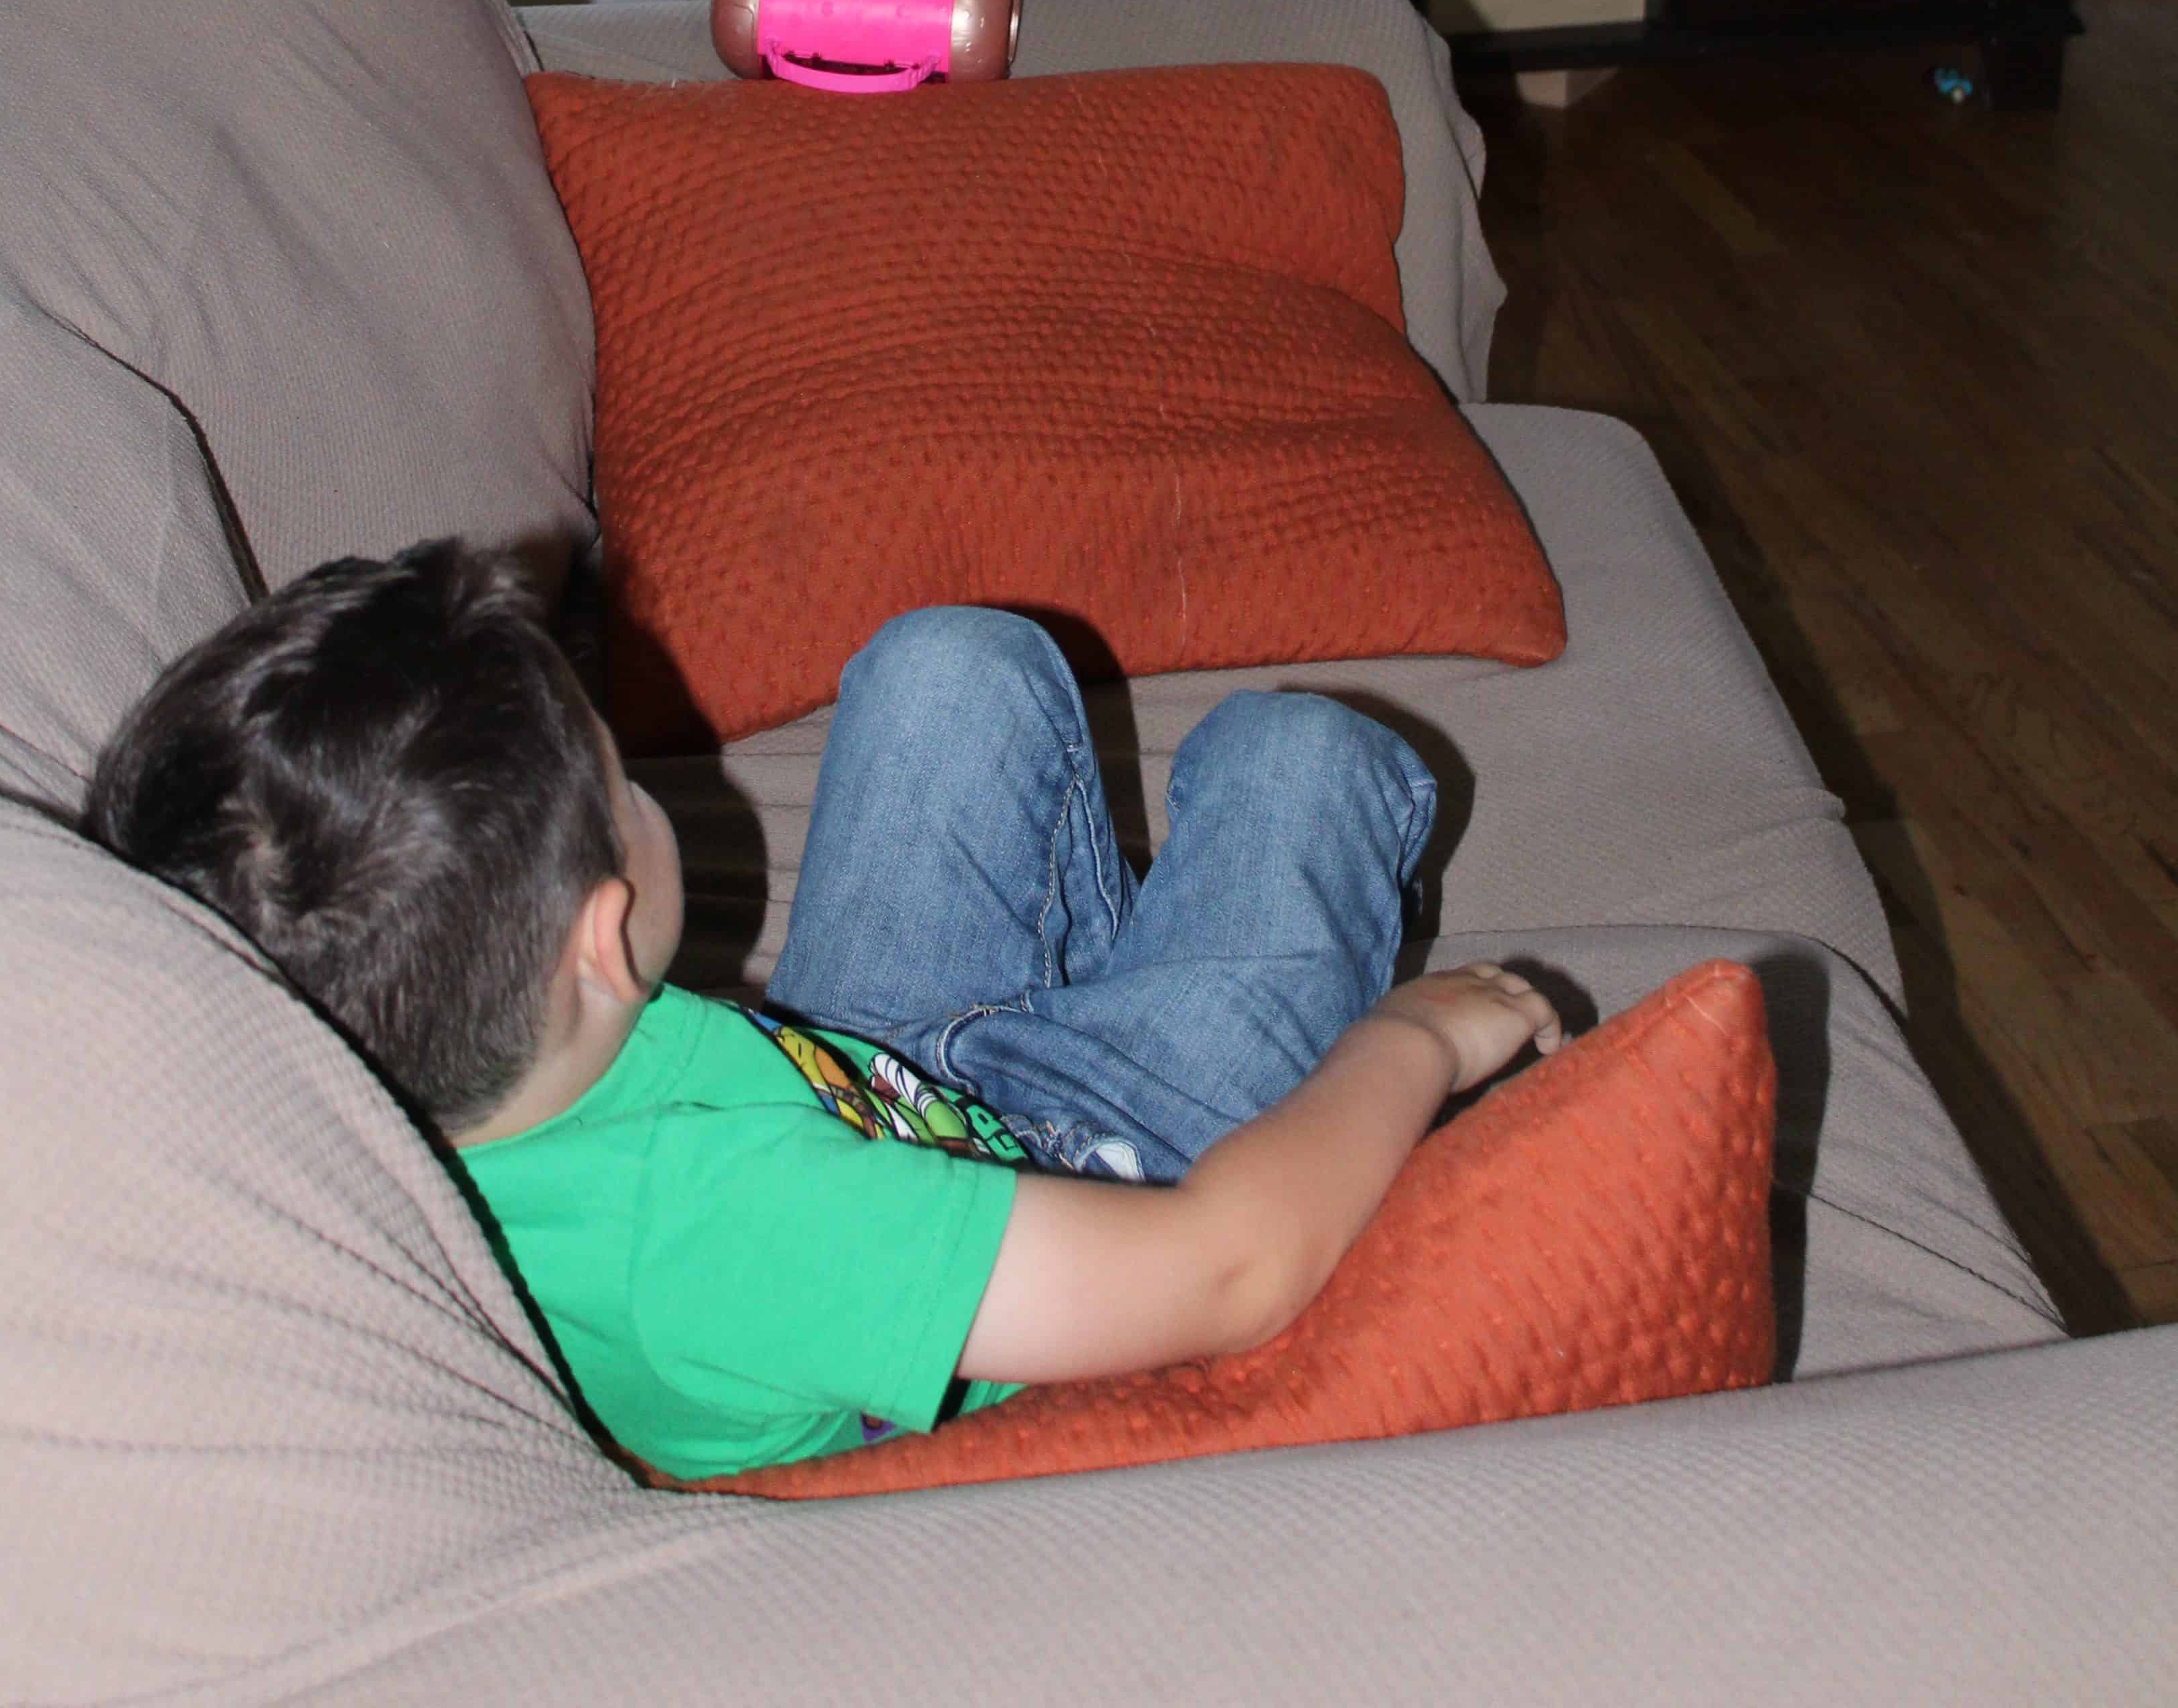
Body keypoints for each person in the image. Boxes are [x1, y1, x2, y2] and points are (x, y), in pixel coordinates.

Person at [83, 537, 1562, 1483]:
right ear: (606, 940)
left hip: (860, 1085)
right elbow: (1229, 1272)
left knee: (946, 663)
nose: (653, 790)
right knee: (1301, 760)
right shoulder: (720, 1232)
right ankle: (1203, 975)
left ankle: (1126, 953)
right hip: (1099, 1171)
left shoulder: (377, 1085)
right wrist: (1414, 1041)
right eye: (627, 784)